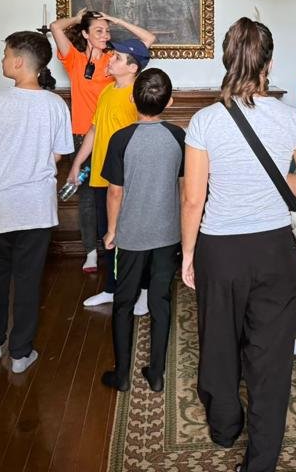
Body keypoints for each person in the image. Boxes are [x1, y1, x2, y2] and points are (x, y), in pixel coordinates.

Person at [181, 17, 296, 472]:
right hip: (274, 250)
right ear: (270, 63)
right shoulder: (291, 118)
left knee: (218, 343)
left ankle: (225, 427)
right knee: (271, 356)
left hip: (220, 249)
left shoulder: (204, 121)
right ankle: (261, 461)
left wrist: (188, 254)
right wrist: (277, 177)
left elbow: (193, 198)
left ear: (226, 59)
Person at [0, 31, 74, 374]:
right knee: (29, 281)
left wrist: (2, 175)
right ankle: (21, 353)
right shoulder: (56, 105)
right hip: (37, 208)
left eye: (5, 54)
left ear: (18, 62)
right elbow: (58, 155)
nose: (2, 60)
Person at [99, 68, 185, 393]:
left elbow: (115, 192)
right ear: (169, 101)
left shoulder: (121, 139)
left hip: (131, 235)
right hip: (168, 234)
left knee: (124, 302)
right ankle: (157, 373)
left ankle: (122, 374)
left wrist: (111, 230)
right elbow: (184, 187)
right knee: (161, 301)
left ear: (133, 100)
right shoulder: (179, 137)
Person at [51, 9, 156, 274]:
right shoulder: (74, 59)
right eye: (99, 30)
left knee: (117, 192)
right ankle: (91, 251)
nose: (105, 35)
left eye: (107, 31)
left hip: (114, 134)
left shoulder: (114, 60)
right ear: (85, 34)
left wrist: (116, 19)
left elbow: (148, 40)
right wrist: (78, 19)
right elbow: (55, 27)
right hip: (84, 135)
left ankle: (120, 249)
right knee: (89, 197)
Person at [68, 38, 150, 308]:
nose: (110, 59)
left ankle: (144, 291)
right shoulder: (106, 91)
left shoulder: (137, 95)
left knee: (134, 235)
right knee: (108, 234)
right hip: (101, 177)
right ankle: (112, 288)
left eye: (117, 58)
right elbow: (94, 130)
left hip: (127, 180)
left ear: (133, 67)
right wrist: (78, 162)